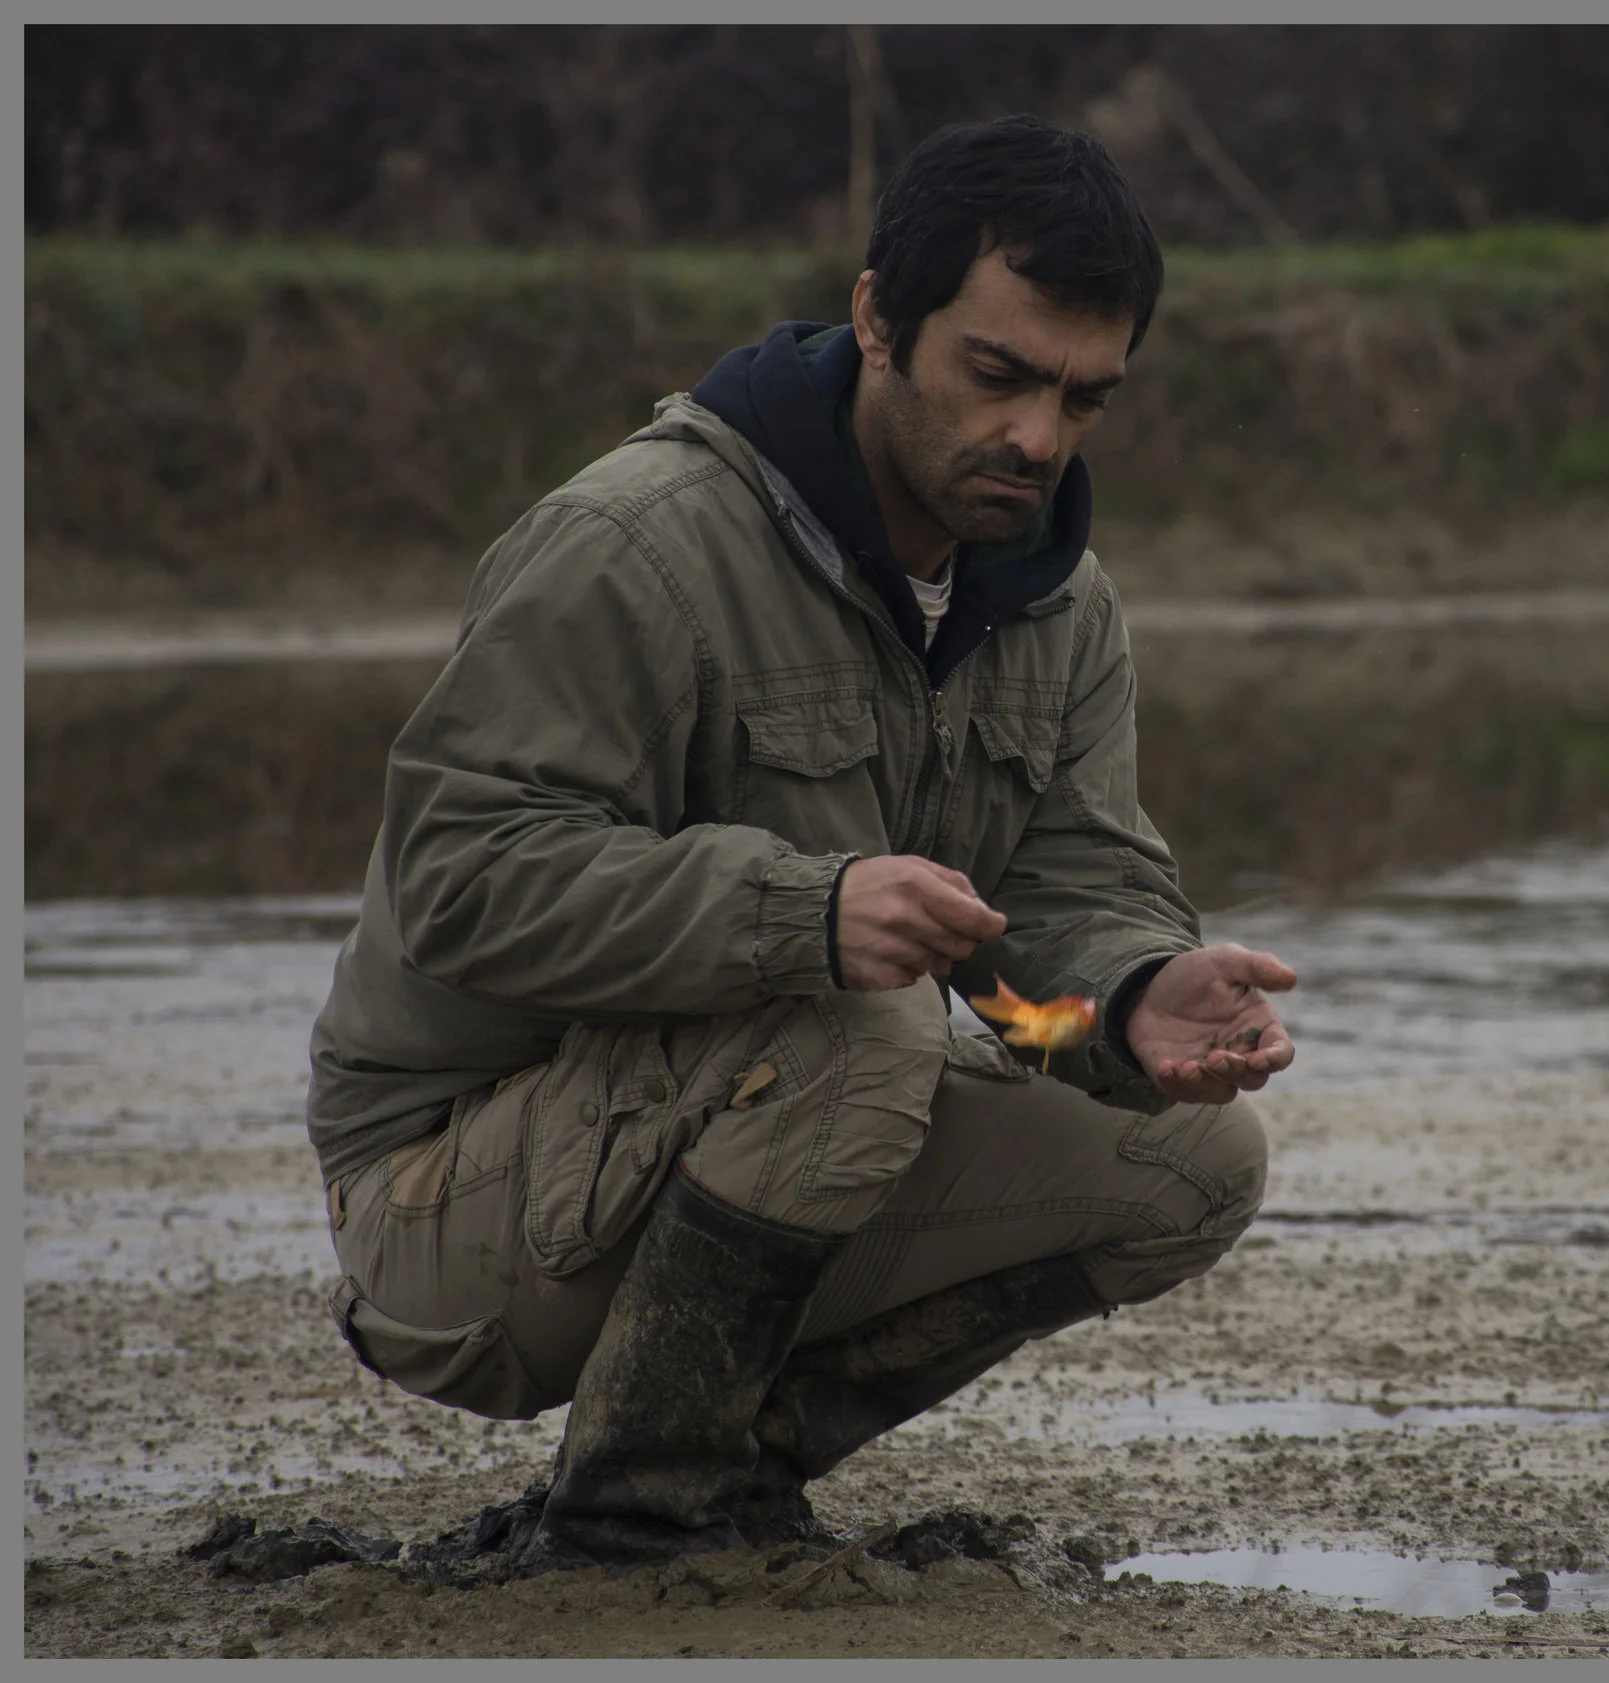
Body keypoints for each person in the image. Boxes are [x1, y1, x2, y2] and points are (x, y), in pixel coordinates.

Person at [304, 115, 1295, 1573]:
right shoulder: (632, 545)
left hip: (756, 1110)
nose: (1038, 437)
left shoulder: (1060, 605)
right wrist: (803, 913)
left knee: (1199, 1155)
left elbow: (1059, 898)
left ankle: (741, 1471)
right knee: (867, 1025)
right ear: (878, 318)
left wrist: (1132, 999)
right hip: (445, 1195)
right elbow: (462, 879)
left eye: (1086, 398)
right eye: (999, 374)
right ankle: (632, 1520)